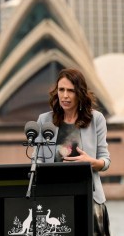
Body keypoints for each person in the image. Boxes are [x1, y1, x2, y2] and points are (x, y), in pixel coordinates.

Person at [35, 68, 111, 235]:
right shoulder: (44, 120)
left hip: (89, 199)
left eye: (71, 91)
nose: (65, 95)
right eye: (61, 90)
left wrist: (91, 162)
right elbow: (37, 160)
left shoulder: (96, 119)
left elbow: (105, 161)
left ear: (80, 93)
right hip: (54, 197)